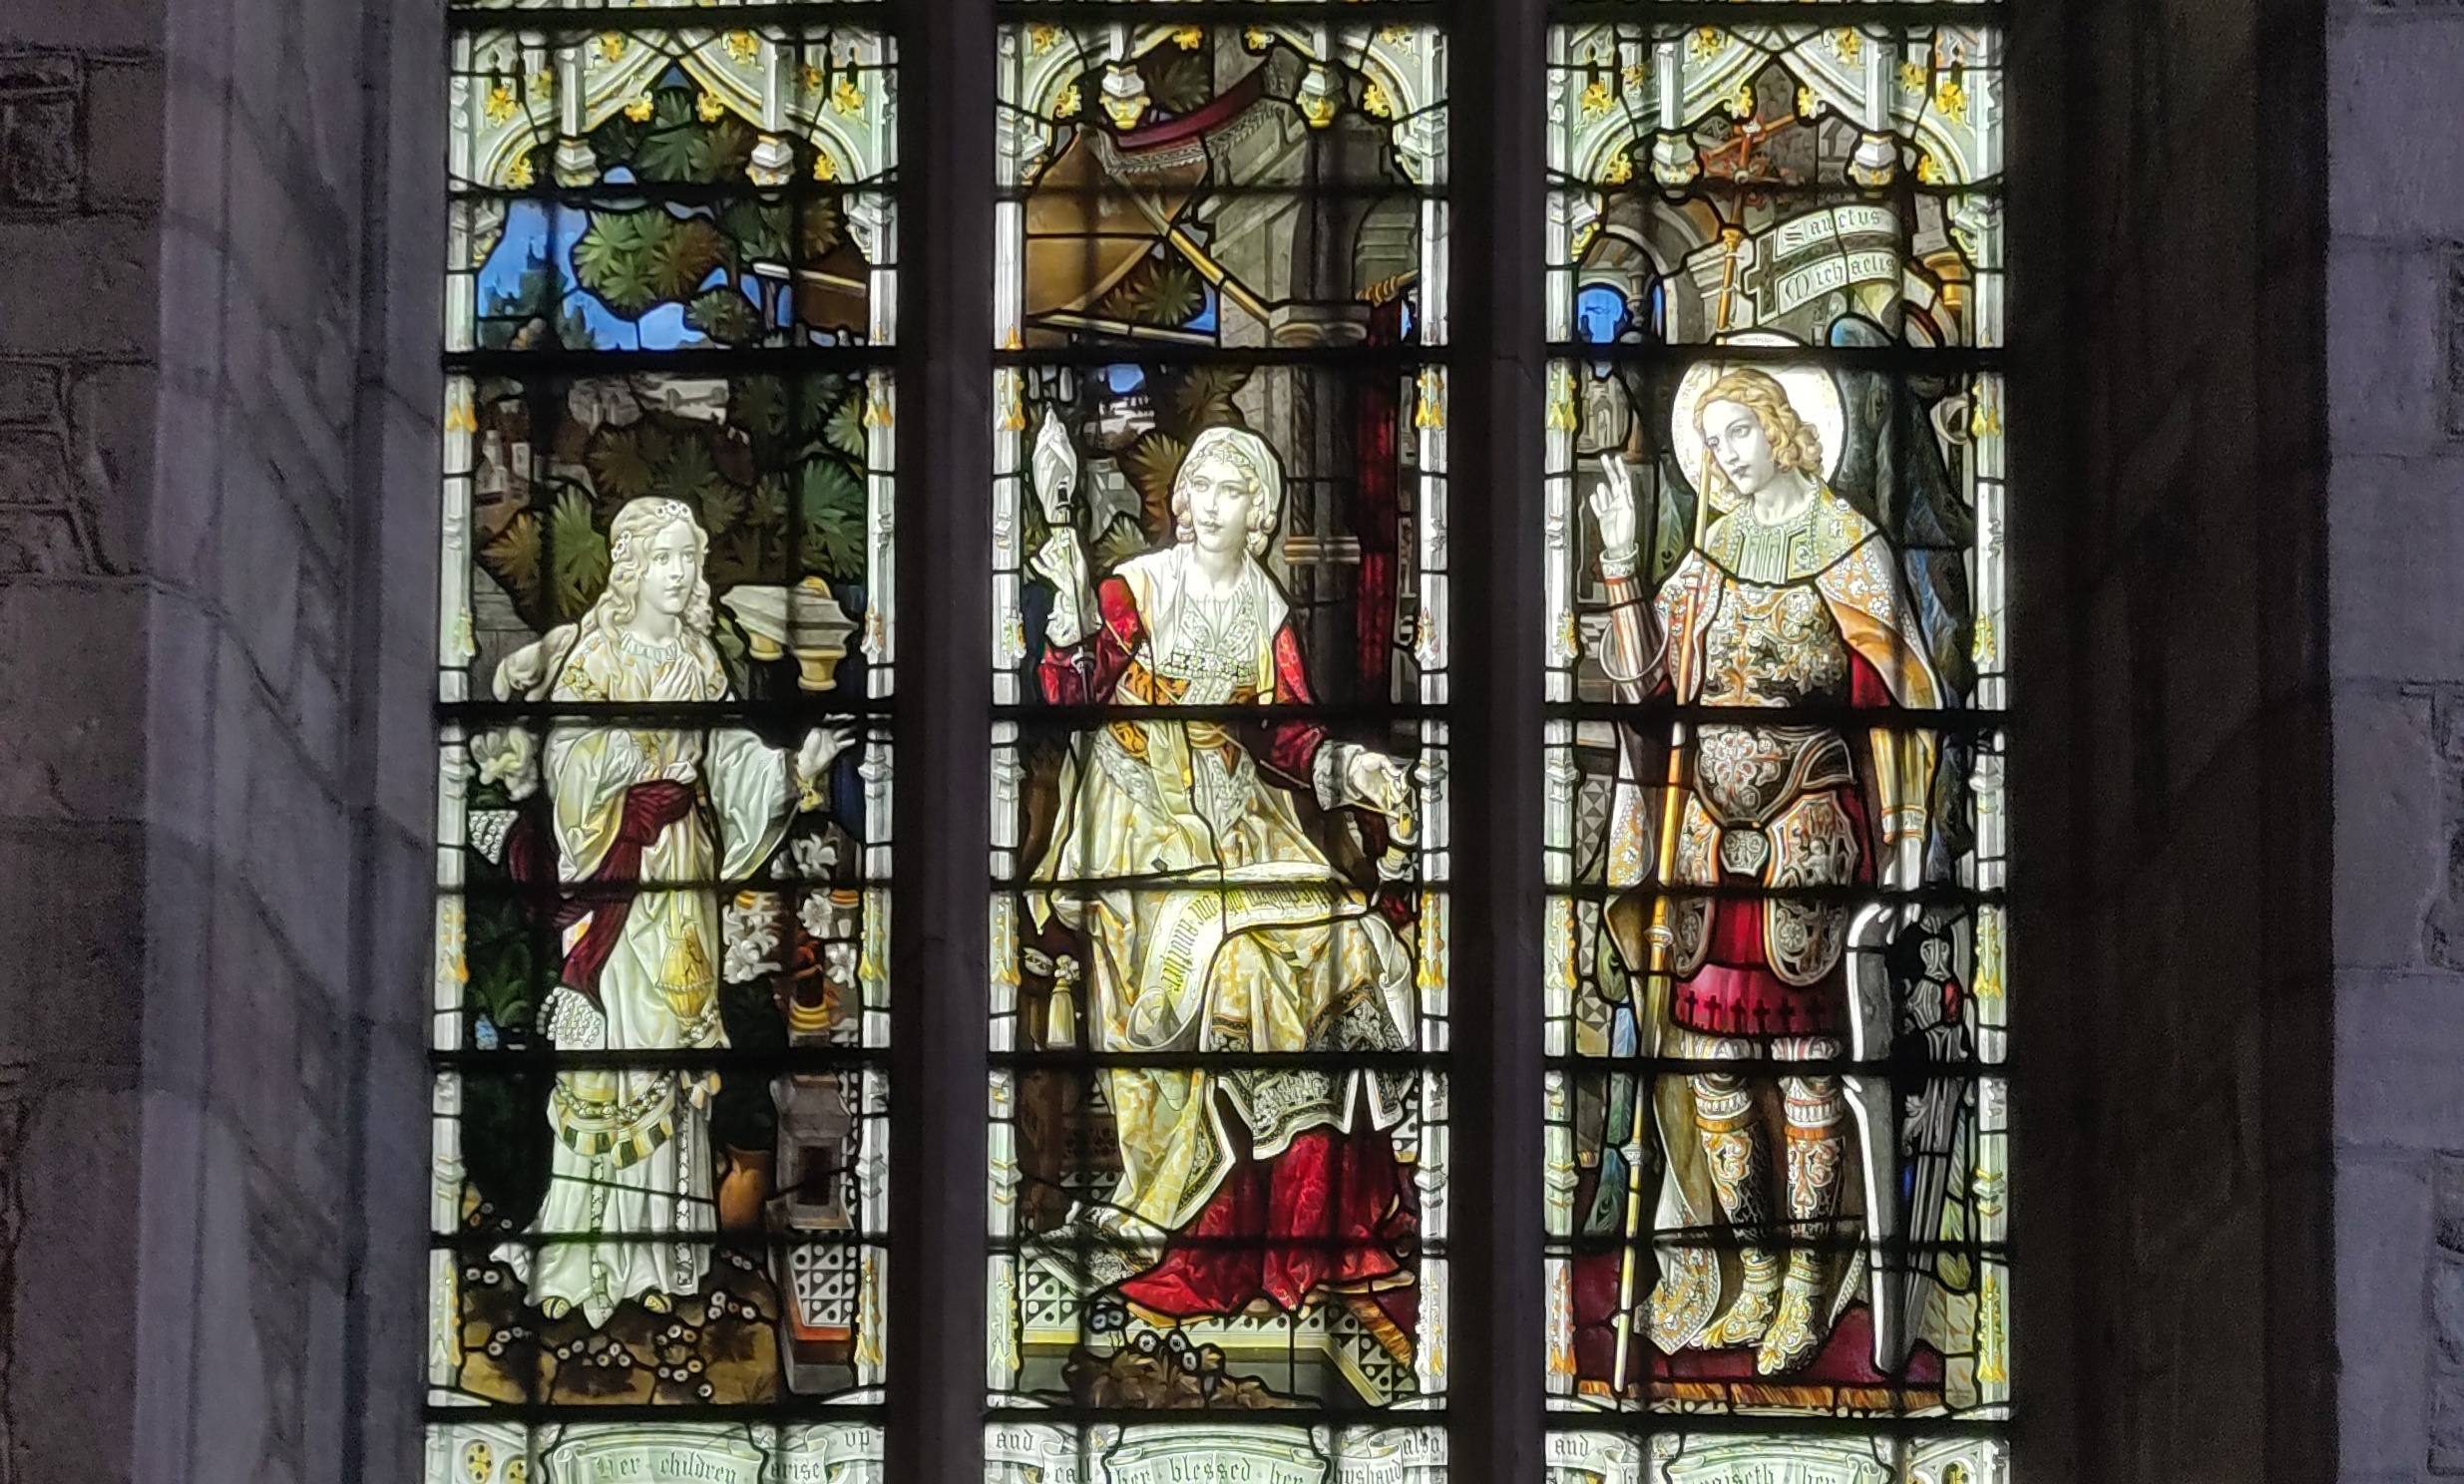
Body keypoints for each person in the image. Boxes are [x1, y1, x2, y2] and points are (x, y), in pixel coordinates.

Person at [1024, 415, 1422, 1361]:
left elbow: (1287, 735)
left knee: (1346, 934)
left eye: (1231, 491)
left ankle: (1318, 1229)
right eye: (1197, 488)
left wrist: (1353, 769)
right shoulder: (1133, 590)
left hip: (1242, 816)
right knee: (1228, 959)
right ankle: (1203, 1233)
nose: (1208, 506)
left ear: (1263, 513)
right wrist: (1071, 623)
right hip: (1136, 820)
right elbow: (1065, 697)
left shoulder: (1264, 605)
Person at [1587, 368, 1940, 1376]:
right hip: (1707, 843)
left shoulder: (1848, 547)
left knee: (1804, 1066)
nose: (1728, 454)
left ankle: (1802, 1294)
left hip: (1807, 835)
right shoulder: (1710, 552)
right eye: (1715, 440)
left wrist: (1911, 838)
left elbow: (1899, 697)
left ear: (1786, 430)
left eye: (1741, 431)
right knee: (1710, 1062)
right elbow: (1644, 679)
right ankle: (1748, 1275)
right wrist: (1619, 567)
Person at [494, 497, 849, 1326]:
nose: (680, 574)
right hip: (618, 871)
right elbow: (568, 759)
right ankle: (595, 1261)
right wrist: (622, 765)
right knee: (614, 1054)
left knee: (674, 1058)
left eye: (688, 558)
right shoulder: (596, 656)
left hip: (681, 875)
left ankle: (663, 1255)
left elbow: (726, 761)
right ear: (632, 569)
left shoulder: (698, 659)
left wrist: (795, 767)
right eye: (664, 559)